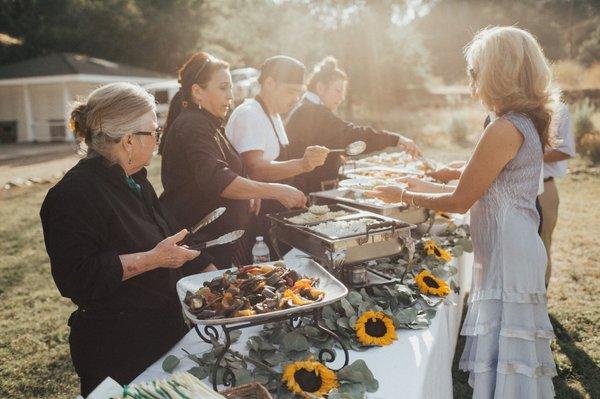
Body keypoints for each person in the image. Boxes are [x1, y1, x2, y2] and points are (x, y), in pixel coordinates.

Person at [367, 27, 558, 397]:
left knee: (509, 352)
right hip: (508, 244)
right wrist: (436, 180)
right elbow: (485, 181)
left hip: (509, 249)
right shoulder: (518, 119)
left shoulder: (505, 126)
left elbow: (459, 201)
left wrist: (404, 192)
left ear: (497, 72)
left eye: (476, 70)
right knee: (508, 354)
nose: (472, 79)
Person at [40, 82, 215, 396]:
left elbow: (166, 237)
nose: (158, 140)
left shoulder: (135, 180)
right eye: (154, 132)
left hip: (162, 336)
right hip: (119, 350)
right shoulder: (74, 194)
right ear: (129, 140)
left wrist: (212, 275)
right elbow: (77, 278)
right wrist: (154, 259)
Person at [160, 52, 306, 268]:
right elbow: (217, 179)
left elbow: (227, 167)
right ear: (197, 92)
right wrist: (277, 190)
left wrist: (249, 188)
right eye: (222, 87)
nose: (230, 95)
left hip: (223, 242)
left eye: (230, 87)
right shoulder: (192, 126)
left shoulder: (208, 124)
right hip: (201, 248)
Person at [225, 55, 329, 251]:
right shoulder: (250, 114)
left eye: (299, 93)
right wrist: (302, 164)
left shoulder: (273, 115)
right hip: (253, 222)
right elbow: (255, 169)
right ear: (270, 83)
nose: (296, 99)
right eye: (291, 91)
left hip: (273, 216)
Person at [285, 56, 421, 194]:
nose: (341, 98)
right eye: (337, 91)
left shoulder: (306, 108)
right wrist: (396, 139)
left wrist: (334, 157)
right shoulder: (314, 112)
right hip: (306, 192)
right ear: (320, 87)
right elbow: (353, 135)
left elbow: (320, 142)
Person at [539, 103, 575, 287]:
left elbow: (565, 150)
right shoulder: (509, 105)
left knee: (542, 245)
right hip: (512, 189)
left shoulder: (558, 110)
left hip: (544, 189)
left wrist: (528, 153)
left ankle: (539, 300)